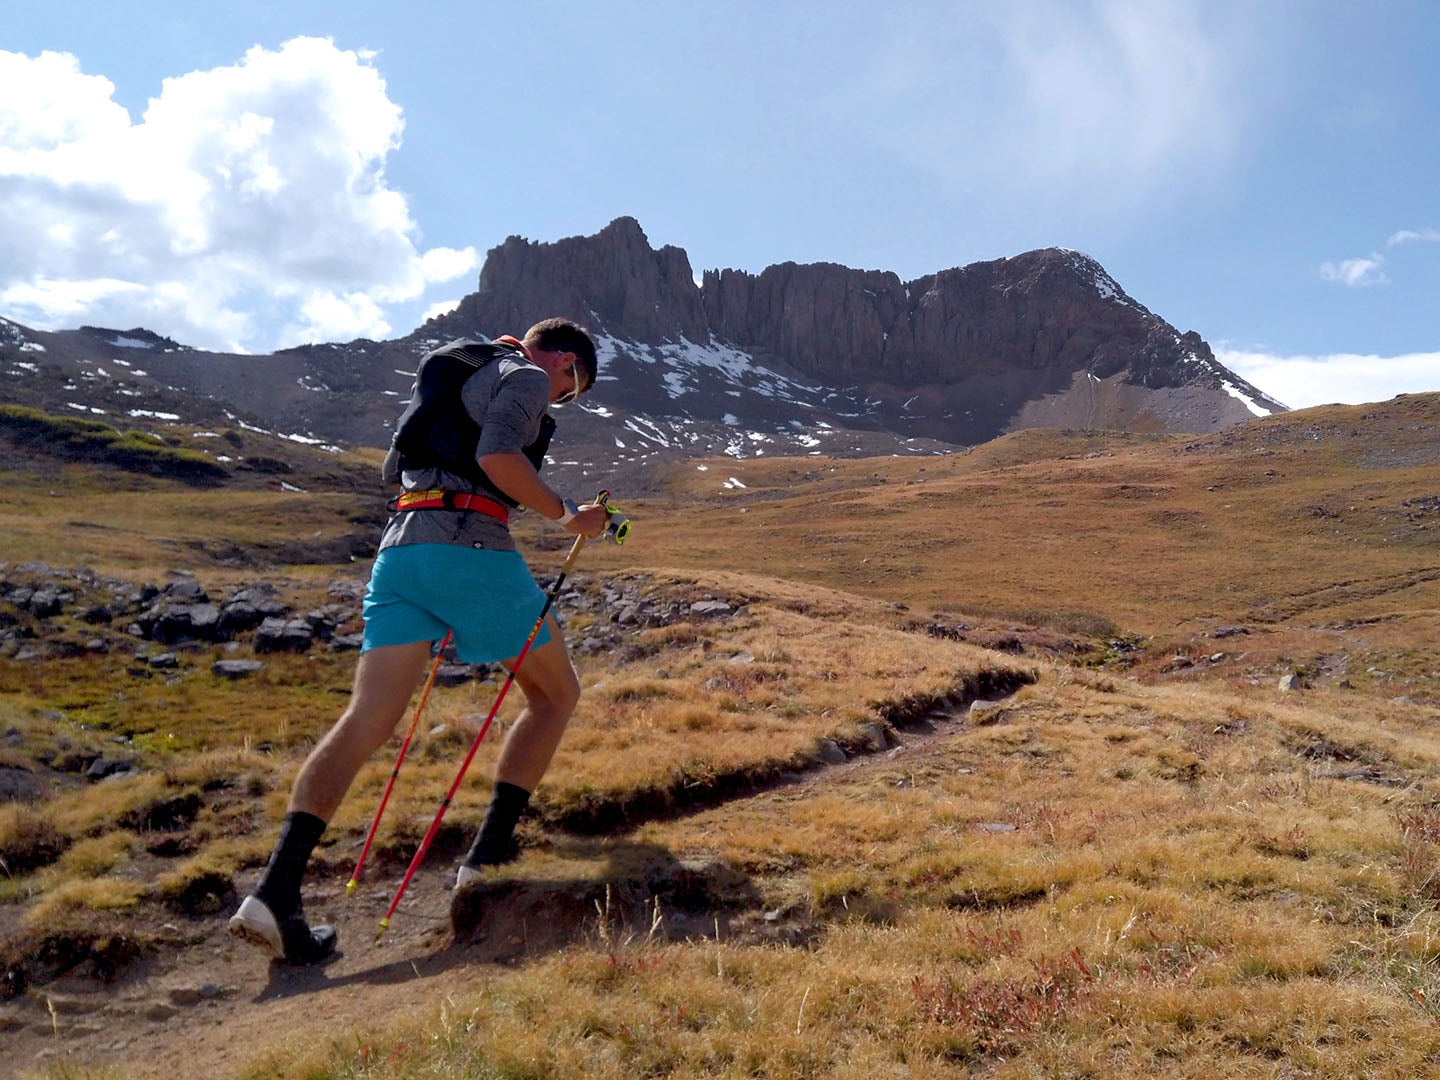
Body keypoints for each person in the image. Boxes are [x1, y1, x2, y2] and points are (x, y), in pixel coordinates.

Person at [228, 317, 609, 964]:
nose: (560, 401)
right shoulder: (524, 375)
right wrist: (569, 515)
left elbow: (398, 464)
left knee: (365, 721)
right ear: (564, 361)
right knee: (556, 696)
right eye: (570, 391)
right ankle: (487, 858)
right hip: (470, 546)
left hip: (401, 551)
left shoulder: (453, 363)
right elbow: (496, 458)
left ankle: (273, 894)